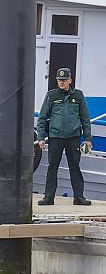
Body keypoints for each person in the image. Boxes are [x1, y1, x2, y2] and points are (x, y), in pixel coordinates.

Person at [37, 67, 93, 207]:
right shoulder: (51, 96)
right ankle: (48, 197)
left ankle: (79, 197)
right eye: (59, 80)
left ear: (70, 80)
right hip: (56, 137)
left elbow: (85, 119)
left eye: (64, 80)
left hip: (73, 137)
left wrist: (87, 139)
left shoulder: (78, 96)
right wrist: (41, 137)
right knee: (52, 167)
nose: (61, 82)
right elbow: (42, 118)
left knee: (75, 167)